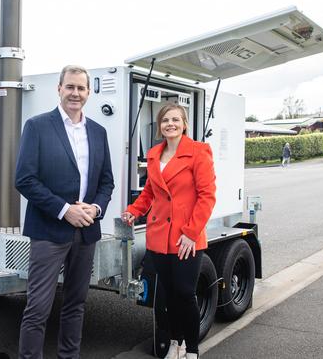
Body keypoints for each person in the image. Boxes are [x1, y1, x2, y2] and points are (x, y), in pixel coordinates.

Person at [15, 65, 114, 359]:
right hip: (48, 231)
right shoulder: (37, 126)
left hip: (86, 231)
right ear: (59, 89)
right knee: (38, 308)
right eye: (70, 87)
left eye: (81, 88)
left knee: (76, 304)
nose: (75, 93)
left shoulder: (98, 131)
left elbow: (106, 181)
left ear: (88, 92)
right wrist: (64, 210)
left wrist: (95, 209)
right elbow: (24, 179)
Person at [122, 104, 216, 359]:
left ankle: (193, 351)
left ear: (185, 124)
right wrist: (133, 210)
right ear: (159, 125)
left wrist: (191, 232)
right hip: (159, 237)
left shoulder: (198, 153)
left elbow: (207, 197)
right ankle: (175, 343)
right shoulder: (154, 154)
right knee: (169, 296)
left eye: (175, 119)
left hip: (187, 237)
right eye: (165, 120)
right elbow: (150, 192)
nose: (170, 124)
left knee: (186, 294)